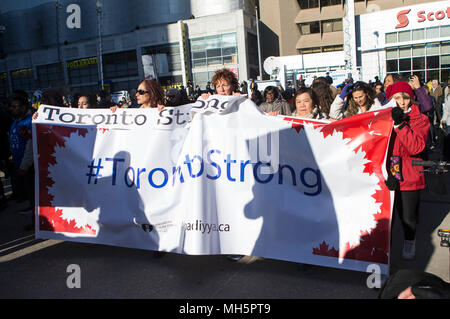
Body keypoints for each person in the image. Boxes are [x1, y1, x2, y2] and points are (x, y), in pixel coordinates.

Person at [384, 81, 430, 260]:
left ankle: (409, 241)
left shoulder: (421, 119)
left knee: (408, 217)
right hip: (389, 172)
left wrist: (400, 126)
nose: (402, 102)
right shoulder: (384, 117)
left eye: (405, 97)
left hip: (410, 175)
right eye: (397, 98)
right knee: (387, 217)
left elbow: (416, 147)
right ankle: (384, 247)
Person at [8, 92, 34, 218]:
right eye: (11, 106)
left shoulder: (30, 122)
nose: (12, 109)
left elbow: (31, 144)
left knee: (31, 187)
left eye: (15, 106)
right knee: (26, 187)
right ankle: (30, 205)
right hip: (18, 161)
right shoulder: (16, 122)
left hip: (28, 164)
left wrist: (25, 163)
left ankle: (34, 211)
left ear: (24, 108)